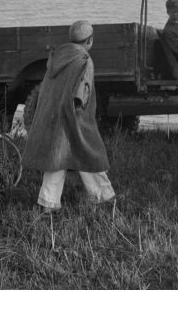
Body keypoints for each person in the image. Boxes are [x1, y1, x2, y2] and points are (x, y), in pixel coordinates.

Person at [22, 20, 116, 212]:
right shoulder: (84, 61)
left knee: (56, 159)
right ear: (89, 41)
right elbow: (81, 95)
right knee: (90, 155)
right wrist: (82, 122)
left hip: (51, 116)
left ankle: (48, 203)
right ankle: (103, 197)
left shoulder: (56, 56)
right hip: (74, 116)